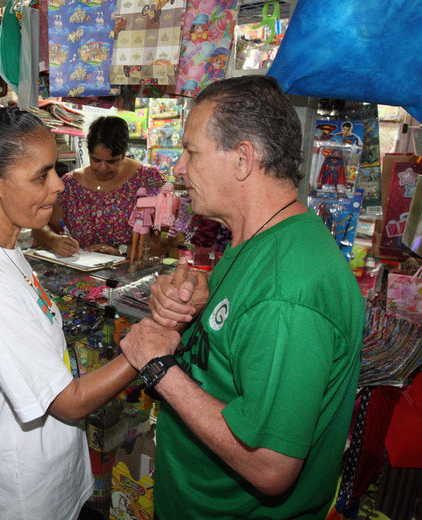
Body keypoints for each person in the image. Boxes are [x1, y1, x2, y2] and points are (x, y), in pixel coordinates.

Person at [120, 75, 364, 519]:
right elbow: (242, 335)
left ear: (242, 159)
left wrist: (158, 367)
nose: (178, 167)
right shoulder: (258, 239)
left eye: (191, 151)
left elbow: (271, 466)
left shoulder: (287, 292)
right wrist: (200, 299)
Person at [0, 107, 181, 520]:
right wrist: (143, 346)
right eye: (41, 175)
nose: (58, 186)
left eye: (56, 170)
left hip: (48, 472)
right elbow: (68, 402)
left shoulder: (5, 249)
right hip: (21, 492)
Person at [32, 116, 166, 257]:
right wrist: (54, 241)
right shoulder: (70, 186)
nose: (102, 168)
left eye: (112, 161)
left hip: (134, 273)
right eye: (95, 160)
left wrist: (122, 250)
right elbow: (39, 227)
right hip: (81, 273)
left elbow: (167, 239)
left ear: (124, 152)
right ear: (88, 153)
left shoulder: (148, 179)